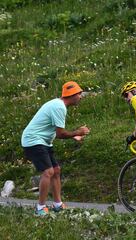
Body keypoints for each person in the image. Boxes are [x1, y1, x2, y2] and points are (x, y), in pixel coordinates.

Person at [21, 81, 90, 216]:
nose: (81, 97)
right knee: (48, 171)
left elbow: (57, 132)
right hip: (33, 140)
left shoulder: (57, 104)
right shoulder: (59, 107)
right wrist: (77, 132)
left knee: (56, 170)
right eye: (79, 94)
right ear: (72, 95)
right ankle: (40, 208)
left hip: (43, 141)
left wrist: (73, 136)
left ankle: (57, 204)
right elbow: (60, 134)